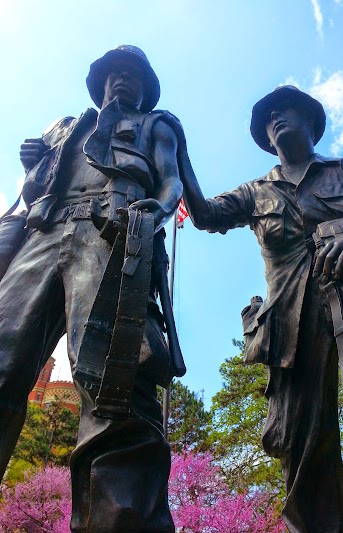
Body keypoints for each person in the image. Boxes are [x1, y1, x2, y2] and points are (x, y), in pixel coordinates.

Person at [175, 85, 343, 532]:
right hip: (294, 321)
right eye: (268, 117)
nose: (275, 117)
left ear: (310, 121)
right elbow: (203, 214)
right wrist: (176, 152)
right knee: (304, 449)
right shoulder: (256, 191)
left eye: (285, 110)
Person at [0, 45, 182, 532]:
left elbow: (171, 184)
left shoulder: (155, 126)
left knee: (113, 379)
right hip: (43, 233)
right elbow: (34, 191)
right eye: (113, 73)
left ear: (145, 88)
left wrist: (157, 212)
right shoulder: (65, 127)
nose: (122, 80)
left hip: (112, 232)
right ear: (99, 82)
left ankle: (123, 522)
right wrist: (32, 164)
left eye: (132, 75)